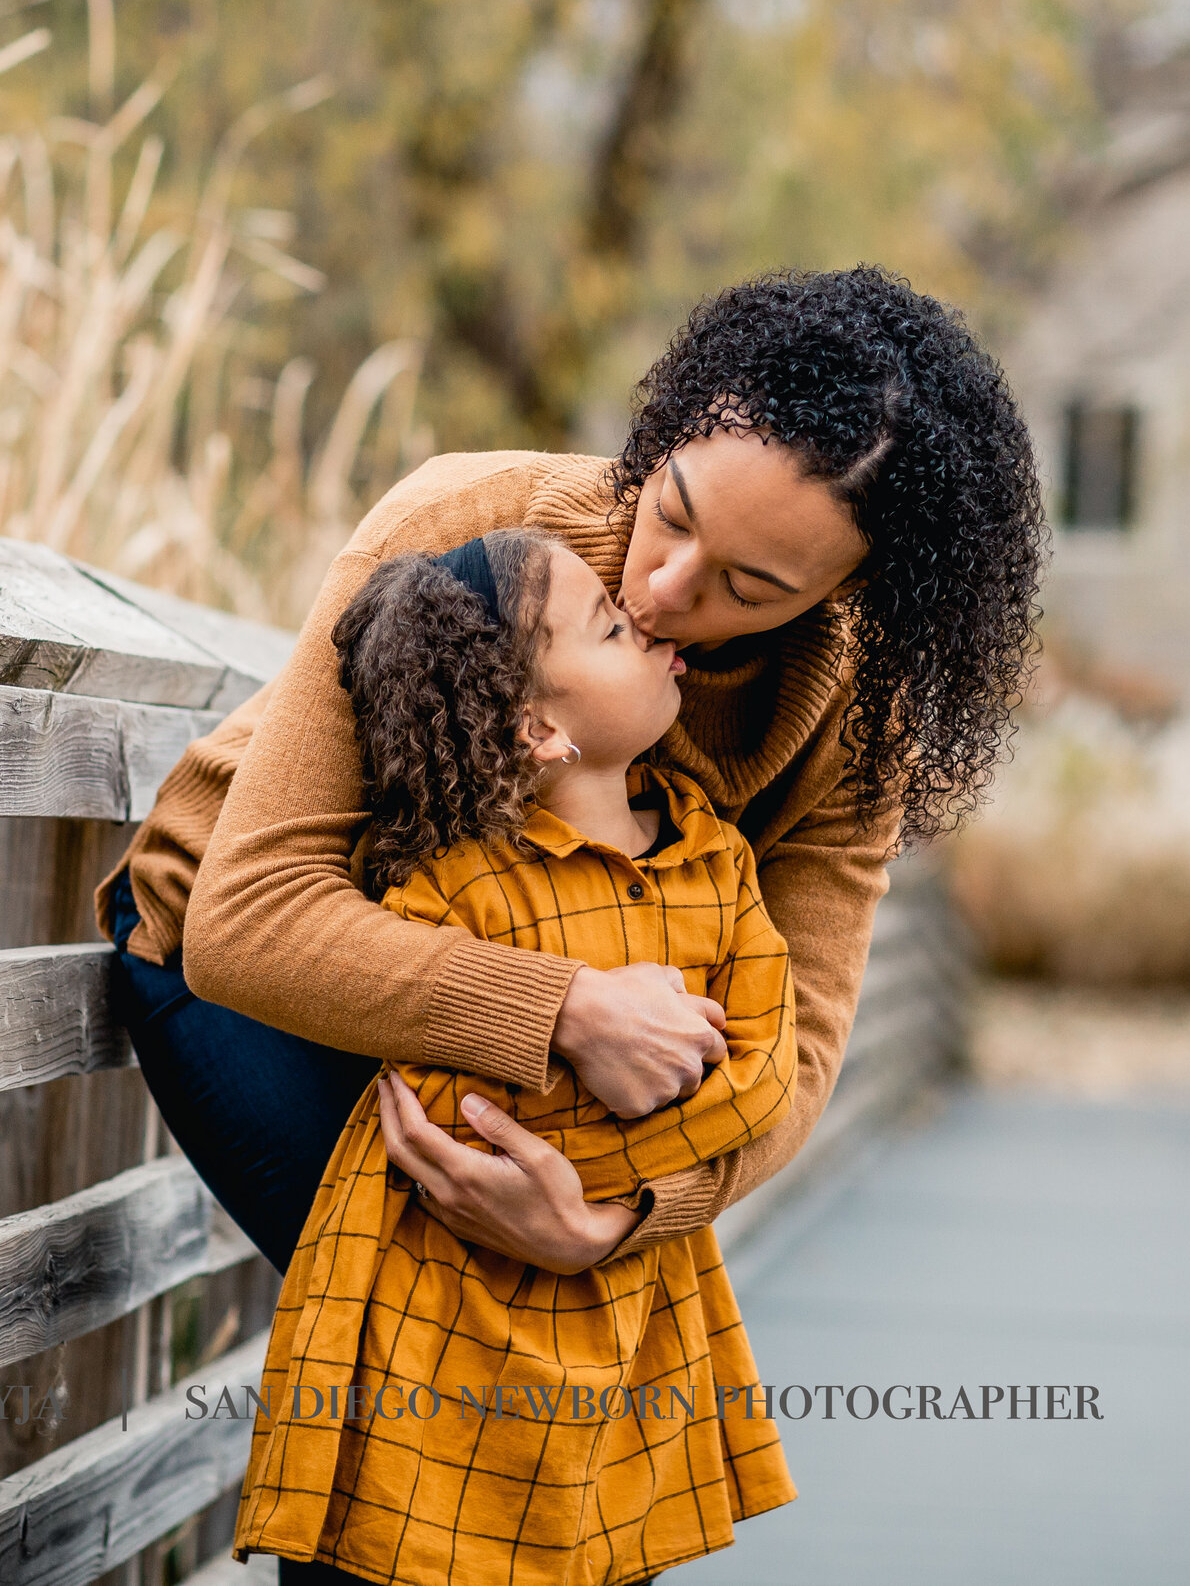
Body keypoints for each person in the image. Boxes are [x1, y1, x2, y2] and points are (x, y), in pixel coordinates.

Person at [98, 264, 1041, 1282]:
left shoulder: (856, 720)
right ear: (674, 427)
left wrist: (631, 1211)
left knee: (571, 1291)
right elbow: (249, 921)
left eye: (747, 585)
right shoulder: (470, 517)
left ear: (851, 589)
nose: (659, 587)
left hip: (521, 989)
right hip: (250, 960)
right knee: (458, 1326)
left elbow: (798, 1050)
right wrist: (569, 1010)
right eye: (672, 513)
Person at [232, 526, 800, 1586]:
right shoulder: (451, 891)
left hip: (627, 1323)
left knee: (606, 1543)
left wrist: (603, 1195)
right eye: (613, 627)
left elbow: (766, 1072)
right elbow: (442, 1113)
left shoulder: (713, 861)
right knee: (407, 1550)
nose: (655, 631)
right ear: (539, 725)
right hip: (443, 1330)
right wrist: (633, 1119)